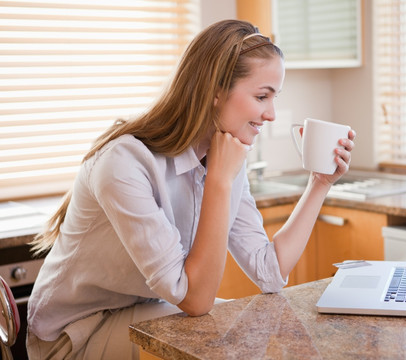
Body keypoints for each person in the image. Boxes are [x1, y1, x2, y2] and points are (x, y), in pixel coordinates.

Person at [26, 19, 356, 359]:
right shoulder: (124, 163)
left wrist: (320, 183)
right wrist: (218, 181)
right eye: (261, 96)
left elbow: (270, 273)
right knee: (226, 342)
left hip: (142, 310)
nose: (271, 114)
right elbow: (196, 300)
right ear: (215, 91)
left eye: (274, 98)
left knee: (256, 328)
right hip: (75, 333)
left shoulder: (225, 157)